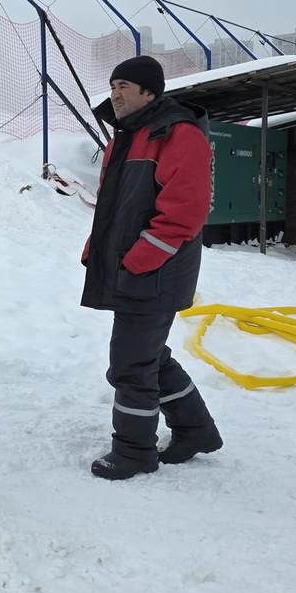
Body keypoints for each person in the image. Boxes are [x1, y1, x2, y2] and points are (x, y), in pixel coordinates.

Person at [82, 55, 224, 481]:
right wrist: (97, 250)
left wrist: (138, 259)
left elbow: (185, 211)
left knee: (130, 363)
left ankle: (133, 451)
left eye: (125, 85)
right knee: (148, 357)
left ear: (150, 92)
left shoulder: (178, 135)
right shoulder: (127, 137)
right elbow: (112, 206)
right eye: (112, 85)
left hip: (156, 270)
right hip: (136, 268)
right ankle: (195, 430)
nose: (115, 94)